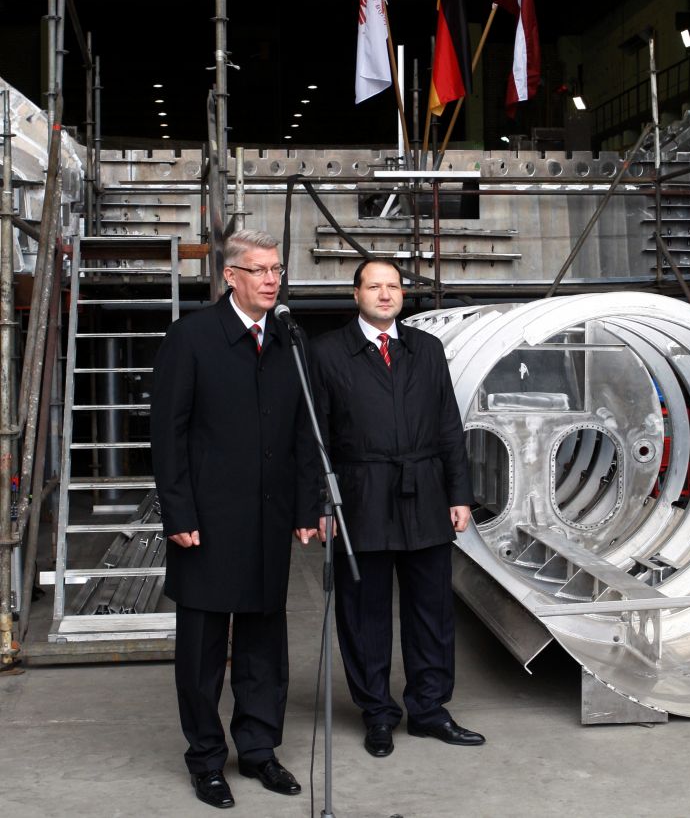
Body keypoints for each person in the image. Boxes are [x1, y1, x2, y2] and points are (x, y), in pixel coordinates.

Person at [151, 229, 319, 809]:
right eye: (260, 270)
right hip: (206, 522)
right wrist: (177, 511)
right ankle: (205, 760)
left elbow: (305, 432)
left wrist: (307, 506)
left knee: (263, 644)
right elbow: (168, 434)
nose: (272, 280)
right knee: (202, 652)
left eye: (277, 270)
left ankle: (258, 749)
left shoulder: (290, 339)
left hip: (269, 520)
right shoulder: (192, 337)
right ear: (230, 276)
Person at [311, 258, 485, 759]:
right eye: (374, 286)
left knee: (431, 608)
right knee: (364, 612)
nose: (385, 294)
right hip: (360, 494)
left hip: (424, 491)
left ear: (402, 295)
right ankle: (378, 714)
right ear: (356, 294)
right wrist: (321, 505)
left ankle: (429, 709)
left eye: (393, 286)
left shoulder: (426, 349)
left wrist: (459, 494)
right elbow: (315, 438)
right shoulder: (327, 353)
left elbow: (448, 425)